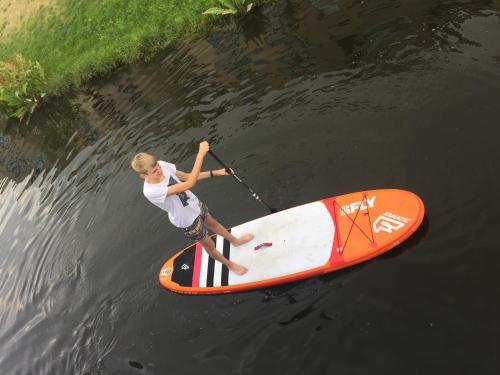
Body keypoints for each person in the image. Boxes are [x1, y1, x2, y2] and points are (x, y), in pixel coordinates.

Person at [131, 141, 252, 275]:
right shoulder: (151, 191)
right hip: (187, 220)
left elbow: (188, 176)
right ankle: (230, 265)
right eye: (154, 171)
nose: (159, 170)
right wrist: (200, 154)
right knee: (210, 246)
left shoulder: (163, 165)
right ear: (143, 175)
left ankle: (235, 241)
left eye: (158, 166)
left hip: (195, 204)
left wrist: (217, 172)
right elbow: (189, 183)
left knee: (214, 224)